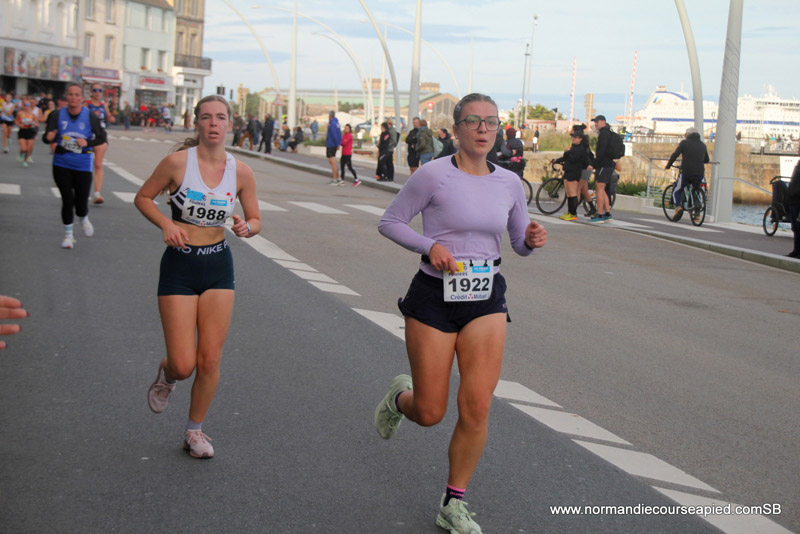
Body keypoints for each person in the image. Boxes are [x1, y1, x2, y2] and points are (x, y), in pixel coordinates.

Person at [375, 93, 547, 534]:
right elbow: (390, 222)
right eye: (473, 121)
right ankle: (400, 399)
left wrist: (531, 240)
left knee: (476, 406)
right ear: (456, 130)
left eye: (491, 121)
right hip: (434, 297)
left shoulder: (509, 183)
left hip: (485, 297)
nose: (483, 129)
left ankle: (454, 502)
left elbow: (519, 244)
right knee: (430, 411)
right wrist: (430, 246)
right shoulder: (433, 174)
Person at [133, 95, 261, 459]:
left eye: (220, 117)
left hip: (218, 265)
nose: (213, 123)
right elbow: (143, 198)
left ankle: (195, 431)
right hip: (180, 266)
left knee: (209, 360)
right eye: (206, 117)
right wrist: (166, 224)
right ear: (197, 123)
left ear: (230, 124)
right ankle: (167, 374)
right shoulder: (177, 163)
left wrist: (246, 227)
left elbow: (256, 219)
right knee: (184, 364)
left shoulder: (242, 172)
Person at [43, 83, 106, 249]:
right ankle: (68, 236)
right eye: (70, 94)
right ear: (66, 96)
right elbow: (46, 137)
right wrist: (49, 137)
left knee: (80, 202)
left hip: (82, 165)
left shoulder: (90, 116)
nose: (73, 98)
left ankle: (83, 217)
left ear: (82, 98)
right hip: (61, 163)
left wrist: (87, 142)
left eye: (77, 95)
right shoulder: (57, 115)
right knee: (67, 200)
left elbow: (102, 138)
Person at [665, 127, 710, 218]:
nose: (685, 136)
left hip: (686, 172)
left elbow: (675, 155)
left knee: (677, 190)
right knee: (696, 189)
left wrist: (668, 165)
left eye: (685, 134)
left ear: (688, 135)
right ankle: (697, 212)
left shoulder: (684, 143)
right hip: (700, 173)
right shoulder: (702, 145)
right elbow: (707, 160)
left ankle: (678, 207)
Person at [553, 129, 592, 221]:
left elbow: (573, 158)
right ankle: (569, 212)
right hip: (568, 170)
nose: (573, 138)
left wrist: (567, 152)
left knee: (573, 193)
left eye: (575, 137)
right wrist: (557, 160)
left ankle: (573, 213)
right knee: (569, 194)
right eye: (572, 137)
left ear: (580, 139)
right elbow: (567, 157)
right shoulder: (574, 147)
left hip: (574, 172)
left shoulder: (581, 149)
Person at [86, 83, 115, 204]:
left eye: (100, 90)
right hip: (87, 135)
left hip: (100, 136)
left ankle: (97, 193)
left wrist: (111, 117)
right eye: (95, 90)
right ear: (91, 92)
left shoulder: (104, 105)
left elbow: (109, 117)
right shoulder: (86, 104)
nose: (97, 92)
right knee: (84, 164)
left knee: (98, 164)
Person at [588, 115, 616, 223]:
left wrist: (593, 164)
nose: (595, 124)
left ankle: (599, 215)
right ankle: (607, 213)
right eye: (595, 122)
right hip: (608, 164)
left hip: (603, 165)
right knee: (602, 188)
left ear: (603, 121)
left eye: (597, 122)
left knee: (599, 188)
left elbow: (601, 152)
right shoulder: (608, 133)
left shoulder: (604, 134)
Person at [784, 145, 800, 259]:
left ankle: (798, 252)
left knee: (798, 226)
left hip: (798, 199)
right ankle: (796, 250)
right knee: (794, 226)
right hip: (793, 199)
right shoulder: (798, 163)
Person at [15, 99, 38, 167]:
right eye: (25, 105)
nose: (27, 106)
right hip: (22, 131)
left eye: (28, 105)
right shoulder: (20, 113)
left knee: (28, 148)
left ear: (30, 106)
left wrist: (32, 123)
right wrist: (19, 125)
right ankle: (21, 154)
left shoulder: (33, 114)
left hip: (30, 131)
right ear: (23, 106)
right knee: (23, 148)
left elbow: (37, 124)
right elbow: (16, 121)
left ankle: (25, 161)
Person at [326, 110, 342, 185]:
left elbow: (334, 134)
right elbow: (339, 134)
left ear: (330, 116)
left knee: (332, 162)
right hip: (333, 144)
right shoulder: (337, 123)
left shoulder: (332, 124)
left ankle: (334, 179)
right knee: (332, 161)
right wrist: (338, 143)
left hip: (331, 144)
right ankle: (338, 178)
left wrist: (337, 144)